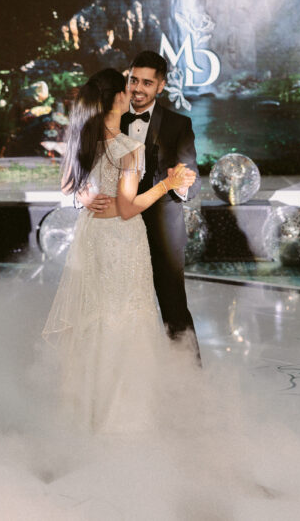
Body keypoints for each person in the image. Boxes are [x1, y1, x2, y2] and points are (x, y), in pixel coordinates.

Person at [42, 68, 195, 433]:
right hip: (123, 240)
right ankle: (126, 418)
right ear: (118, 99)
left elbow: (67, 186)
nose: (132, 93)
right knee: (129, 316)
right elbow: (128, 208)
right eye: (127, 89)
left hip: (93, 236)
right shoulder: (128, 147)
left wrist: (85, 194)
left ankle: (87, 412)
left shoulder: (84, 137)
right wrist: (168, 184)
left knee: (98, 317)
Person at [80, 51, 201, 353]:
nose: (138, 89)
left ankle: (188, 384)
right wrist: (82, 193)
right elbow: (80, 167)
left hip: (162, 233)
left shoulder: (179, 124)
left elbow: (192, 176)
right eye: (133, 80)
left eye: (147, 83)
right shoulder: (109, 116)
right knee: (113, 312)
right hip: (115, 233)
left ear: (161, 86)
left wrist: (183, 182)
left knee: (174, 311)